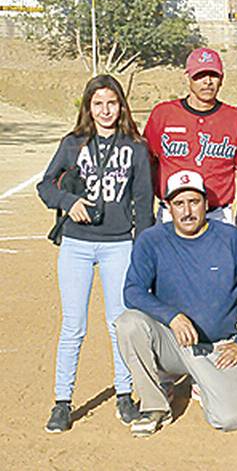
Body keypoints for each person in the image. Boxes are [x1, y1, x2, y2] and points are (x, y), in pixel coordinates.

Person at [37, 75, 154, 433]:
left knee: (119, 323)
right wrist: (68, 201)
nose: (105, 110)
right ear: (88, 107)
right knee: (73, 325)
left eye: (112, 103)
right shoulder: (73, 144)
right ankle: (62, 401)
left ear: (122, 106)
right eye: (98, 103)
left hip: (119, 244)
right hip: (76, 243)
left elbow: (144, 203)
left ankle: (123, 393)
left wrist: (143, 252)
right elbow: (46, 185)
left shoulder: (136, 147)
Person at [117, 171, 237, 437]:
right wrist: (172, 317)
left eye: (194, 201)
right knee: (128, 324)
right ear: (168, 207)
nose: (187, 211)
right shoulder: (152, 240)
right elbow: (132, 291)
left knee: (231, 418)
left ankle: (203, 382)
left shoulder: (230, 238)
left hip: (217, 347)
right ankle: (154, 405)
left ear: (206, 204)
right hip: (174, 343)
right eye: (179, 204)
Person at [142, 47, 237, 243]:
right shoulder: (163, 114)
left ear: (221, 79)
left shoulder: (235, 118)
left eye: (213, 75)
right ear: (188, 77)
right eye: (200, 75)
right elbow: (148, 163)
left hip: (217, 215)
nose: (207, 82)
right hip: (172, 213)